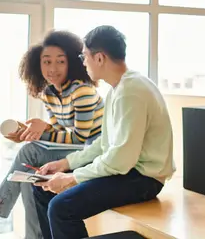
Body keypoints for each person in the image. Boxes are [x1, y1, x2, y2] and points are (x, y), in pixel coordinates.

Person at [32, 25, 175, 239]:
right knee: (42, 188)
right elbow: (104, 144)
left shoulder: (131, 91)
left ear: (99, 58)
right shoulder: (118, 88)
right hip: (128, 172)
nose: (83, 62)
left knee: (62, 208)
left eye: (84, 56)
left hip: (143, 179)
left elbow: (120, 161)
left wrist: (72, 178)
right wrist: (66, 164)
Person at [0, 30, 104, 239]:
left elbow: (79, 139)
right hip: (72, 150)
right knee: (30, 180)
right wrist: (39, 130)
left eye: (60, 61)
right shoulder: (49, 93)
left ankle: (1, 202)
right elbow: (60, 133)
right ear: (37, 65)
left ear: (72, 63)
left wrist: (43, 132)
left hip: (94, 152)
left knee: (29, 151)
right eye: (46, 62)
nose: (52, 68)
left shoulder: (82, 91)